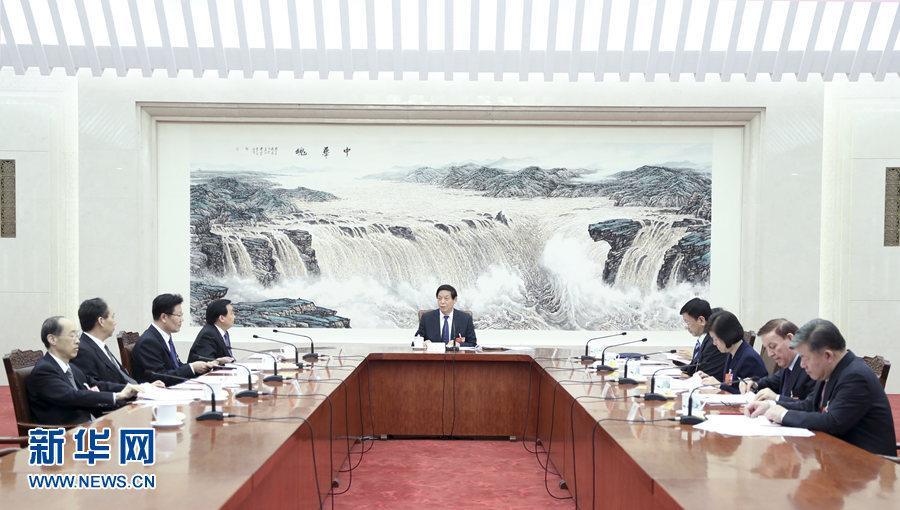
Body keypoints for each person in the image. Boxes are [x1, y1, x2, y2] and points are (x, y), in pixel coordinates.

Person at [745, 319, 896, 456]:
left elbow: (833, 422)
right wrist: (770, 406)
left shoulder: (855, 376)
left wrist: (783, 415)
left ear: (827, 355)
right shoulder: (831, 370)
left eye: (804, 358)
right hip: (839, 455)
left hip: (868, 465)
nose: (802, 365)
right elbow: (810, 405)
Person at [27, 316, 141, 425]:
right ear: (52, 339)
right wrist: (116, 396)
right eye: (72, 336)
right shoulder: (44, 371)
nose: (78, 341)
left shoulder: (72, 368)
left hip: (88, 426)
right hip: (65, 433)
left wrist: (133, 388)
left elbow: (96, 385)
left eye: (77, 335)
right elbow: (72, 396)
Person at [131, 293, 220, 386]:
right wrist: (192, 368)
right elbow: (159, 377)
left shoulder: (163, 337)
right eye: (179, 315)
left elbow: (176, 366)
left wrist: (200, 366)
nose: (182, 319)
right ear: (164, 317)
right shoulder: (148, 342)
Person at [740, 318, 815, 401]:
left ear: (791, 339)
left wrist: (776, 398)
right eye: (766, 348)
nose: (770, 354)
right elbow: (771, 382)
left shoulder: (811, 368)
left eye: (772, 346)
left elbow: (809, 405)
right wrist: (754, 384)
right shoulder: (788, 365)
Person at [699, 310, 767, 393]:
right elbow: (729, 384)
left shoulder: (749, 359)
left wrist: (719, 385)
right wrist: (712, 380)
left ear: (727, 336)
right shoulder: (732, 352)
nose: (714, 343)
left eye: (715, 339)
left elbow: (749, 394)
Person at [678, 298, 728, 380]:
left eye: (687, 322)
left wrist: (689, 377)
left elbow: (705, 375)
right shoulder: (703, 340)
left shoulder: (713, 343)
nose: (686, 327)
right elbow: (694, 367)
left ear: (701, 320)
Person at [187, 299, 236, 363]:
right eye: (231, 313)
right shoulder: (208, 335)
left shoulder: (223, 333)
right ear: (221, 318)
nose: (234, 316)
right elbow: (205, 362)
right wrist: (219, 362)